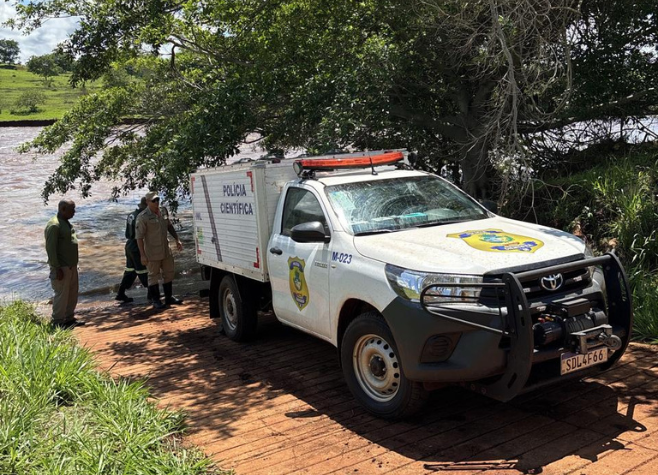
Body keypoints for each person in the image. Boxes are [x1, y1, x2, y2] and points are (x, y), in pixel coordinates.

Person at [135, 191, 184, 309]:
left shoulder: (163, 211)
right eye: (154, 201)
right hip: (152, 252)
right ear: (147, 202)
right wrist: (142, 255)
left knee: (169, 273)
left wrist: (177, 239)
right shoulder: (143, 217)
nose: (157, 202)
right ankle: (156, 300)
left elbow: (169, 226)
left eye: (158, 199)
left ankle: (169, 297)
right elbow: (139, 237)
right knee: (153, 276)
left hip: (165, 250)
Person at [44, 199, 83, 328]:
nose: (74, 212)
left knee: (72, 293)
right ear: (63, 209)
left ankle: (69, 319)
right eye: (72, 210)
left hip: (71, 265)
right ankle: (58, 322)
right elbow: (51, 249)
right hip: (62, 267)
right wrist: (56, 268)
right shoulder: (54, 225)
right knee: (61, 295)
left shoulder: (65, 223)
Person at [115, 197, 151, 303]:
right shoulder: (142, 216)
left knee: (130, 270)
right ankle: (152, 293)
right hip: (137, 245)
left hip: (129, 244)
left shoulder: (131, 214)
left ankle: (120, 293)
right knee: (143, 270)